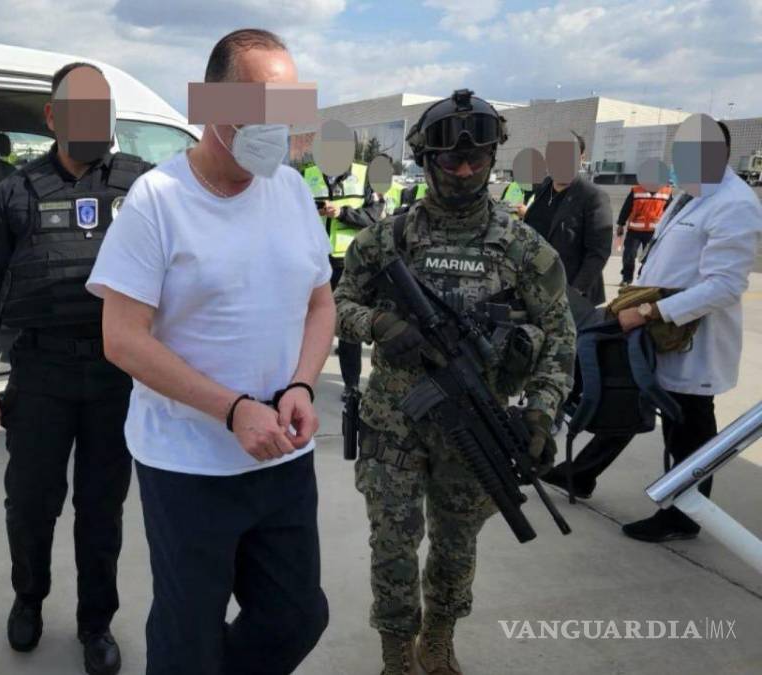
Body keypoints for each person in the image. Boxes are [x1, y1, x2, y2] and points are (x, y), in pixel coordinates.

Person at [87, 29, 332, 675]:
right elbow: (122, 336)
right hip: (188, 465)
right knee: (188, 634)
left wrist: (303, 384)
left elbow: (320, 304)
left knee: (297, 615)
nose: (274, 128)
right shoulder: (157, 201)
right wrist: (232, 409)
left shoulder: (291, 191)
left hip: (282, 456)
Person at [335, 89, 575, 675]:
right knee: (392, 544)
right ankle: (397, 652)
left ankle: (438, 638)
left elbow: (560, 337)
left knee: (456, 544)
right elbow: (335, 305)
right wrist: (378, 323)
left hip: (473, 425)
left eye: (476, 158)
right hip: (394, 422)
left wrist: (541, 412)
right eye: (451, 159)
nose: (465, 171)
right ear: (426, 159)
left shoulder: (524, 249)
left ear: (492, 158)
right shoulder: (386, 240)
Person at [0, 62, 150, 675]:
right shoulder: (15, 193)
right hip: (40, 373)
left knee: (102, 510)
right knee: (31, 504)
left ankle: (96, 623)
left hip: (115, 377)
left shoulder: (142, 187)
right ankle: (29, 599)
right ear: (53, 116)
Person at [544, 116, 762, 541]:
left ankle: (684, 515)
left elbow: (725, 285)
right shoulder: (693, 195)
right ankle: (581, 474)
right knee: (628, 400)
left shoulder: (734, 204)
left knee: (688, 429)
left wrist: (649, 312)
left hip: (690, 339)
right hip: (657, 333)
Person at [304, 160, 377, 393]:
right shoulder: (308, 175)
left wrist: (342, 213)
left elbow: (374, 217)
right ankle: (300, 381)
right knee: (305, 324)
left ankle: (351, 385)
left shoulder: (364, 176)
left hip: (348, 264)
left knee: (348, 324)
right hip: (313, 261)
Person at [522, 131, 614, 305]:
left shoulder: (593, 196)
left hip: (570, 295)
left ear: (581, 158)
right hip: (537, 288)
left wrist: (574, 294)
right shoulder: (543, 187)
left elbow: (598, 252)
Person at [615, 179, 672, 286]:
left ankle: (642, 278)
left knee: (649, 258)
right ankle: (627, 278)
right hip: (634, 231)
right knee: (629, 255)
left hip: (654, 232)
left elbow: (670, 212)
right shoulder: (636, 190)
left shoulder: (667, 192)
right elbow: (626, 208)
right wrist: (620, 224)